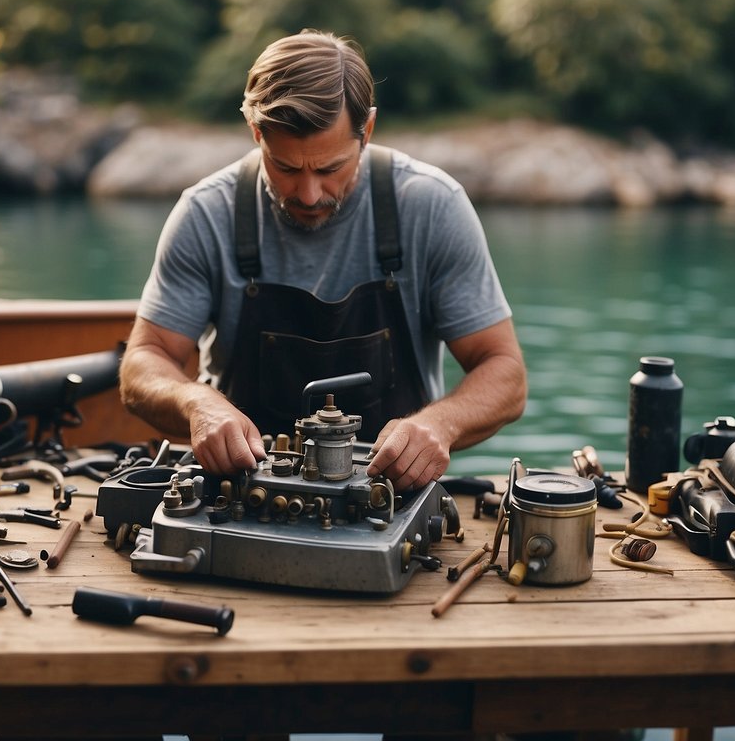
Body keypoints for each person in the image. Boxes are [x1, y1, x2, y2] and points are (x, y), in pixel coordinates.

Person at [119, 29, 526, 491]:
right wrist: (196, 402)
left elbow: (504, 372)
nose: (309, 194)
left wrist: (441, 425)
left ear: (367, 130)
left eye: (331, 168)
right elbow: (143, 364)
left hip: (387, 493)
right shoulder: (207, 214)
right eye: (286, 168)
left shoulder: (432, 206)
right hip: (243, 491)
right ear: (257, 134)